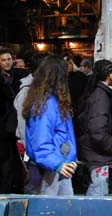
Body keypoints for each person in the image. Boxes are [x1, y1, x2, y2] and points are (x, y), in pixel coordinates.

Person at [23, 54, 77, 195]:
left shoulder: (52, 101)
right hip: (51, 169)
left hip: (58, 165)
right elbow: (41, 141)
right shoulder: (45, 105)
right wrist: (57, 164)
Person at [76, 59, 112, 196]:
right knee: (98, 193)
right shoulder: (101, 98)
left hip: (93, 152)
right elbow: (97, 131)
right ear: (110, 75)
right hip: (97, 154)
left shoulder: (97, 93)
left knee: (97, 190)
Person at [0, 47, 29, 193]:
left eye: (9, 59)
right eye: (3, 60)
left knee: (17, 162)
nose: (7, 63)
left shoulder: (19, 76)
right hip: (3, 126)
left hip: (16, 124)